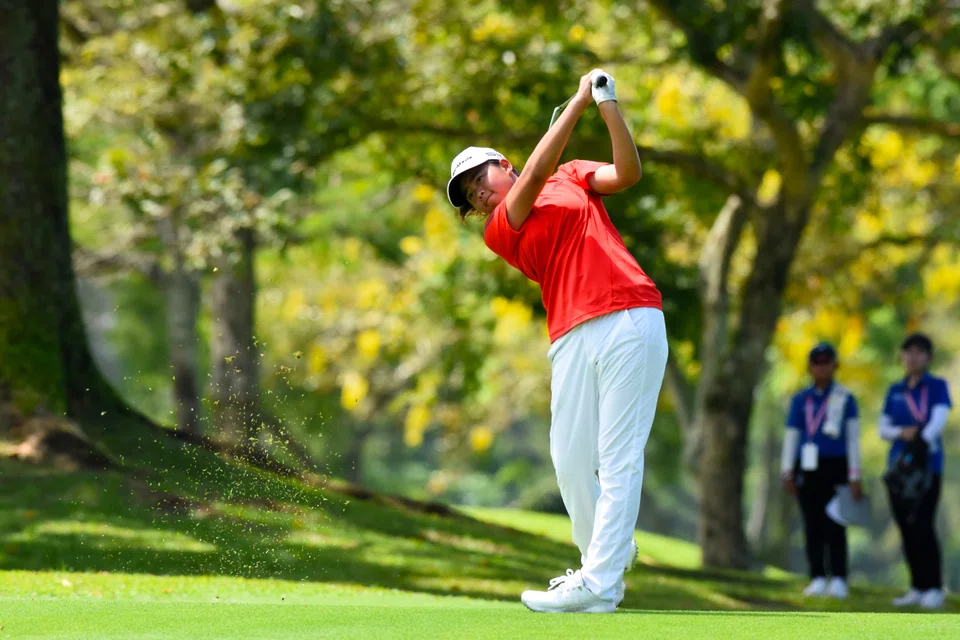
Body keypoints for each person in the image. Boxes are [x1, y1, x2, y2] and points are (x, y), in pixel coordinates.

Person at [445, 69, 667, 613]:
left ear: (503, 164)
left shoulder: (571, 175)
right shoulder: (502, 229)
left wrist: (606, 102)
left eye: (481, 178)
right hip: (569, 334)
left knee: (617, 460)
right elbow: (537, 171)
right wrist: (576, 102)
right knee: (569, 461)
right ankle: (607, 555)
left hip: (630, 315)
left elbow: (628, 172)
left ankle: (599, 584)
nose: (479, 194)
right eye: (472, 195)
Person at [780, 342, 862, 599]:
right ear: (810, 367)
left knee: (836, 522)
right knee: (812, 523)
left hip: (837, 465)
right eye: (817, 362)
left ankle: (838, 578)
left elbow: (852, 438)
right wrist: (787, 470)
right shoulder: (801, 399)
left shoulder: (845, 398)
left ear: (835, 365)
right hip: (807, 465)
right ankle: (817, 577)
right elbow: (793, 435)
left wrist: (855, 474)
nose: (822, 367)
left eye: (827, 362)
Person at [879, 332, 952, 609]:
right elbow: (883, 429)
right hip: (899, 469)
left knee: (923, 525)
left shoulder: (937, 386)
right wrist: (902, 432)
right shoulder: (895, 391)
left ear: (928, 357)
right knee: (906, 528)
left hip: (928, 467)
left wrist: (919, 438)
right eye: (909, 352)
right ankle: (917, 586)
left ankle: (934, 586)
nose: (913, 357)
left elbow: (938, 420)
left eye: (919, 352)